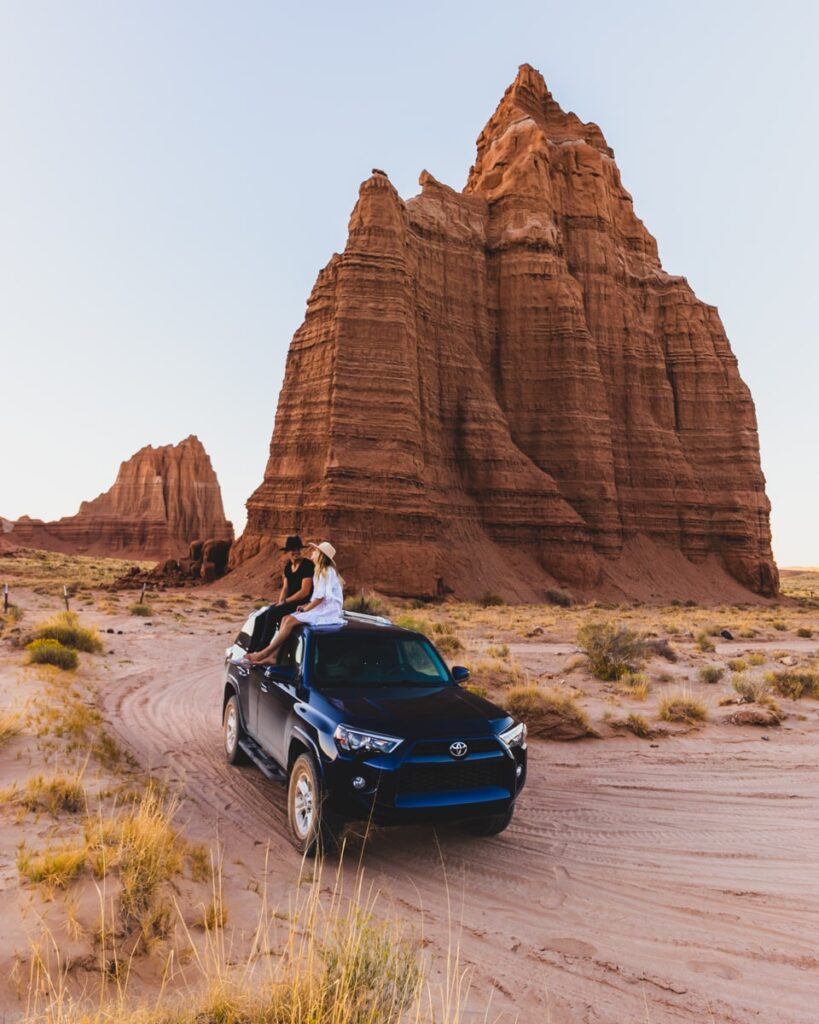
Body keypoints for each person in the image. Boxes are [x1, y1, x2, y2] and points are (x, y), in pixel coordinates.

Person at [247, 541, 344, 666]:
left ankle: (265, 653)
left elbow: (320, 598)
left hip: (328, 610)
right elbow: (317, 596)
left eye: (315, 551)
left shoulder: (326, 571)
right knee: (285, 619)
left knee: (290, 621)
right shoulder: (319, 570)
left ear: (320, 555)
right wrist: (306, 605)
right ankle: (274, 657)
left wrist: (306, 608)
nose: (312, 552)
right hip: (321, 606)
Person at [249, 536, 314, 651]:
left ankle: (261, 651)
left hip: (302, 604)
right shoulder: (288, 567)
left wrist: (284, 602)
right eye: (293, 549)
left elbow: (305, 592)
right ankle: (250, 651)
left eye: (298, 549)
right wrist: (280, 603)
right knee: (260, 618)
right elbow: (285, 588)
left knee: (272, 614)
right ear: (287, 552)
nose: (296, 552)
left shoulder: (307, 565)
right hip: (288, 603)